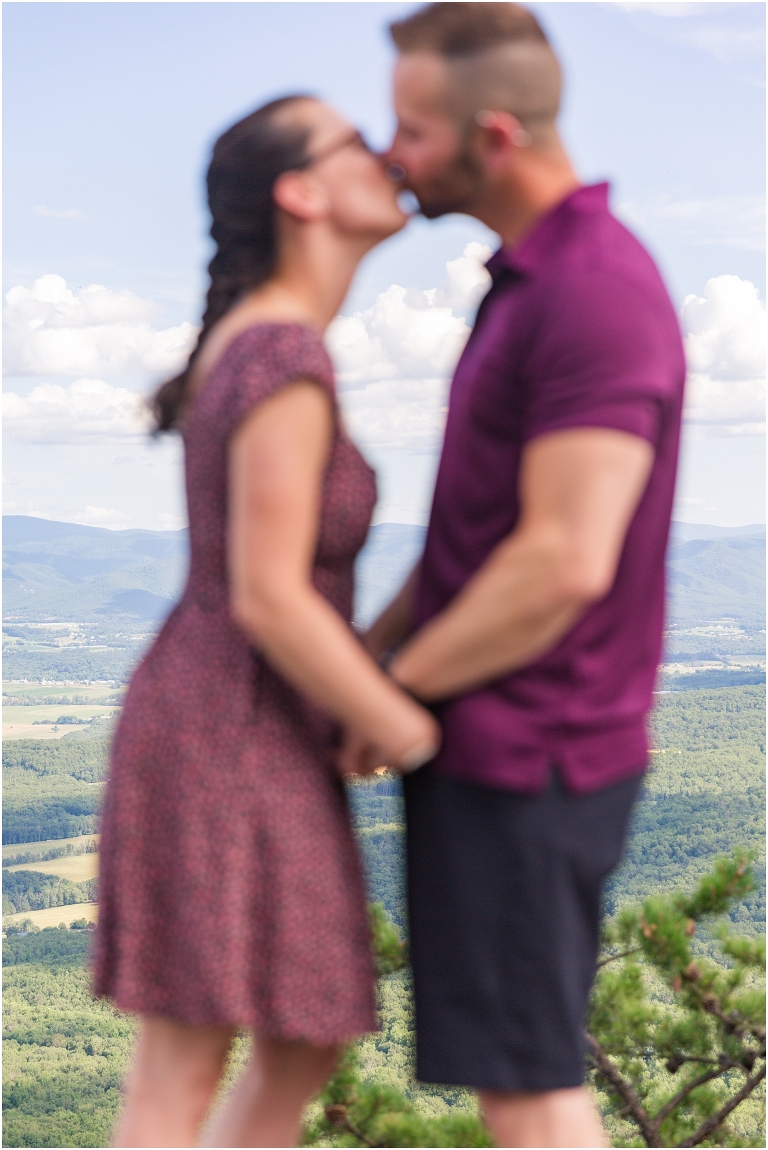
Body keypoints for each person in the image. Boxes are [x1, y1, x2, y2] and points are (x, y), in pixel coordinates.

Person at [358, 4, 687, 1147]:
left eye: (410, 130)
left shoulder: (595, 289)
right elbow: (476, 540)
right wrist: (369, 654)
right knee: (518, 1077)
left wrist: (391, 694)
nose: (389, 154)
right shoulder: (526, 285)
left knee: (531, 1086)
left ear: (493, 136)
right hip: (493, 735)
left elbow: (560, 560)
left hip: (532, 746)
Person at [92, 95, 440, 1149]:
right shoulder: (283, 352)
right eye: (354, 141)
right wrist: (412, 730)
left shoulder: (267, 344)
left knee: (299, 1034)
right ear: (302, 191)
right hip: (227, 728)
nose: (384, 152)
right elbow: (270, 592)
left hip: (239, 722)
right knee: (184, 1064)